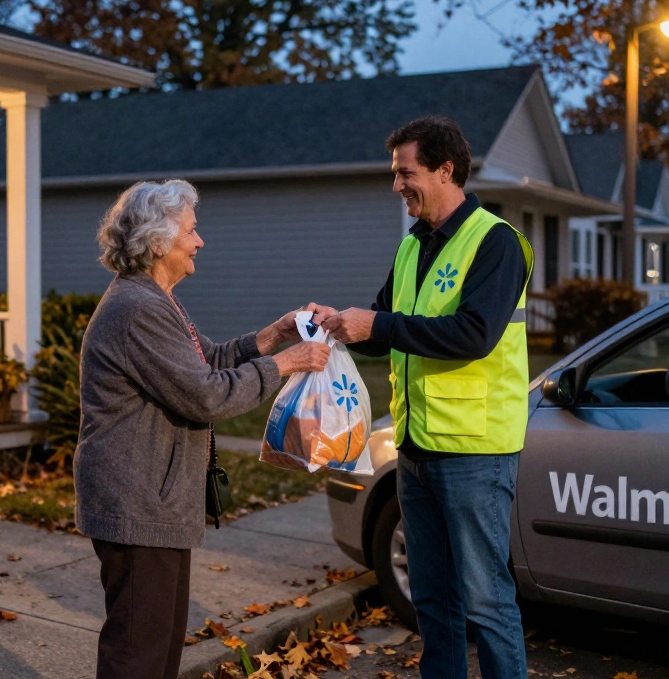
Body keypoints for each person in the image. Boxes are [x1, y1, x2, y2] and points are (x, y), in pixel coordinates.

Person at [75, 179, 330, 679]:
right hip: (138, 502)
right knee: (137, 654)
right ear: (156, 242)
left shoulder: (154, 298)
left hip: (155, 502)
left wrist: (270, 337)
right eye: (191, 231)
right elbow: (207, 393)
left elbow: (203, 360)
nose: (200, 241)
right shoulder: (137, 308)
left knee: (159, 645)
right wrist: (287, 363)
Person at [319, 116, 533, 679]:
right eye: (394, 174)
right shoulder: (413, 246)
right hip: (415, 452)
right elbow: (381, 330)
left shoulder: (496, 242)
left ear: (445, 170)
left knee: (486, 604)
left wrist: (377, 326)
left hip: (475, 455)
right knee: (433, 602)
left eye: (405, 173)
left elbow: (473, 335)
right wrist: (335, 327)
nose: (397, 186)